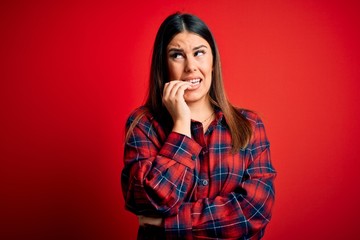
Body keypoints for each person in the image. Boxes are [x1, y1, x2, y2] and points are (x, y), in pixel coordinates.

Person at [121, 12, 276, 239]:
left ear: (213, 62)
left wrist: (168, 224)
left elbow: (253, 213)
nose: (191, 66)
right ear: (163, 65)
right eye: (177, 55)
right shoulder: (143, 125)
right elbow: (151, 202)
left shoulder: (249, 126)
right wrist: (181, 126)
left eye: (199, 53)